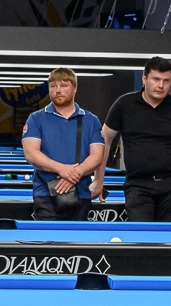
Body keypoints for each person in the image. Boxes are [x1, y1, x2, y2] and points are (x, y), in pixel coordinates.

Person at [102, 57, 171, 221]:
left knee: (167, 235)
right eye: (156, 79)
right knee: (141, 233)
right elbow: (104, 140)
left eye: (166, 81)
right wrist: (99, 180)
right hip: (137, 184)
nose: (161, 85)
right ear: (144, 78)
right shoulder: (124, 104)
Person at [22, 68, 108, 220]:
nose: (58, 90)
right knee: (48, 235)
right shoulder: (35, 118)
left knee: (78, 235)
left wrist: (75, 173)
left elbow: (97, 156)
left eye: (63, 85)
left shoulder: (91, 120)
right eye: (53, 86)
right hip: (45, 193)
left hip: (81, 193)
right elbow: (31, 154)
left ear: (75, 88)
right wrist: (62, 170)